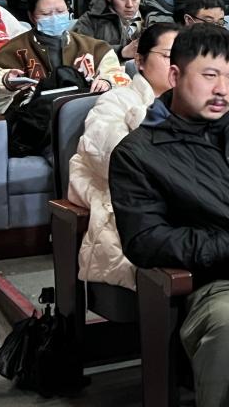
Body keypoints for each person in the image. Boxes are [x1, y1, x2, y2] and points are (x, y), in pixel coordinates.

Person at [109, 24, 229, 407]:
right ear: (175, 75)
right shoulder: (140, 153)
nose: (222, 90)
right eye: (209, 76)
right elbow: (145, 240)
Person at [68, 23, 179, 290]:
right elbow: (112, 159)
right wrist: (148, 119)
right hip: (138, 203)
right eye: (168, 56)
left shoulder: (196, 102)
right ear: (140, 61)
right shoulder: (116, 101)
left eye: (186, 56)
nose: (178, 65)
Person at [0, 0, 130, 157]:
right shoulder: (14, 49)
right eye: (46, 14)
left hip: (89, 119)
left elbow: (120, 77)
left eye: (60, 11)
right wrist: (6, 81)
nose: (55, 18)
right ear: (32, 16)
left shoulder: (95, 47)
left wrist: (107, 81)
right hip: (39, 127)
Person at [74, 0, 174, 59]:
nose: (130, 5)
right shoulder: (90, 21)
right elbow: (76, 51)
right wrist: (121, 51)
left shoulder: (160, 19)